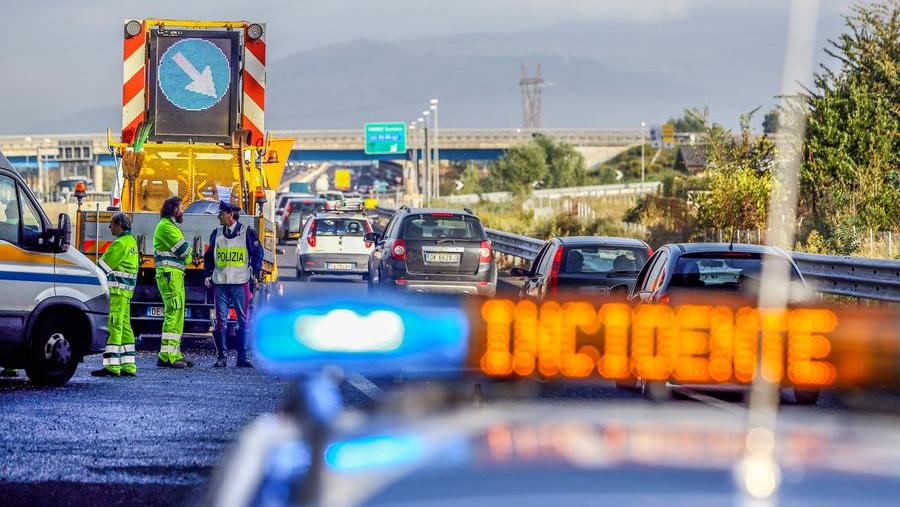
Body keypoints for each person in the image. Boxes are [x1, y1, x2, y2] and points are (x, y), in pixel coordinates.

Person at [203, 201, 263, 368]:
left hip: (240, 281)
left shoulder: (247, 232)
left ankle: (242, 357)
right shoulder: (217, 233)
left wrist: (255, 272)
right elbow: (209, 257)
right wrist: (207, 274)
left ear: (230, 215)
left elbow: (258, 252)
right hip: (220, 282)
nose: (218, 217)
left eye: (221, 214)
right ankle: (221, 357)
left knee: (242, 320)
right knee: (220, 320)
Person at [91, 213, 139, 377]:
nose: (109, 227)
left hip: (117, 292)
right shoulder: (131, 242)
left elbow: (101, 268)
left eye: (111, 224)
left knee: (114, 325)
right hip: (126, 292)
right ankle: (128, 365)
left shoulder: (119, 244)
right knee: (125, 327)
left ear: (119, 224)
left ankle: (112, 366)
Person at [154, 196, 194, 369]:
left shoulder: (170, 227)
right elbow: (185, 252)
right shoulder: (166, 227)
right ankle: (167, 357)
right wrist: (190, 252)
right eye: (181, 207)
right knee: (173, 313)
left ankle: (174, 353)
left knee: (177, 315)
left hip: (174, 275)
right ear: (173, 209)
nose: (183, 210)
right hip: (170, 275)